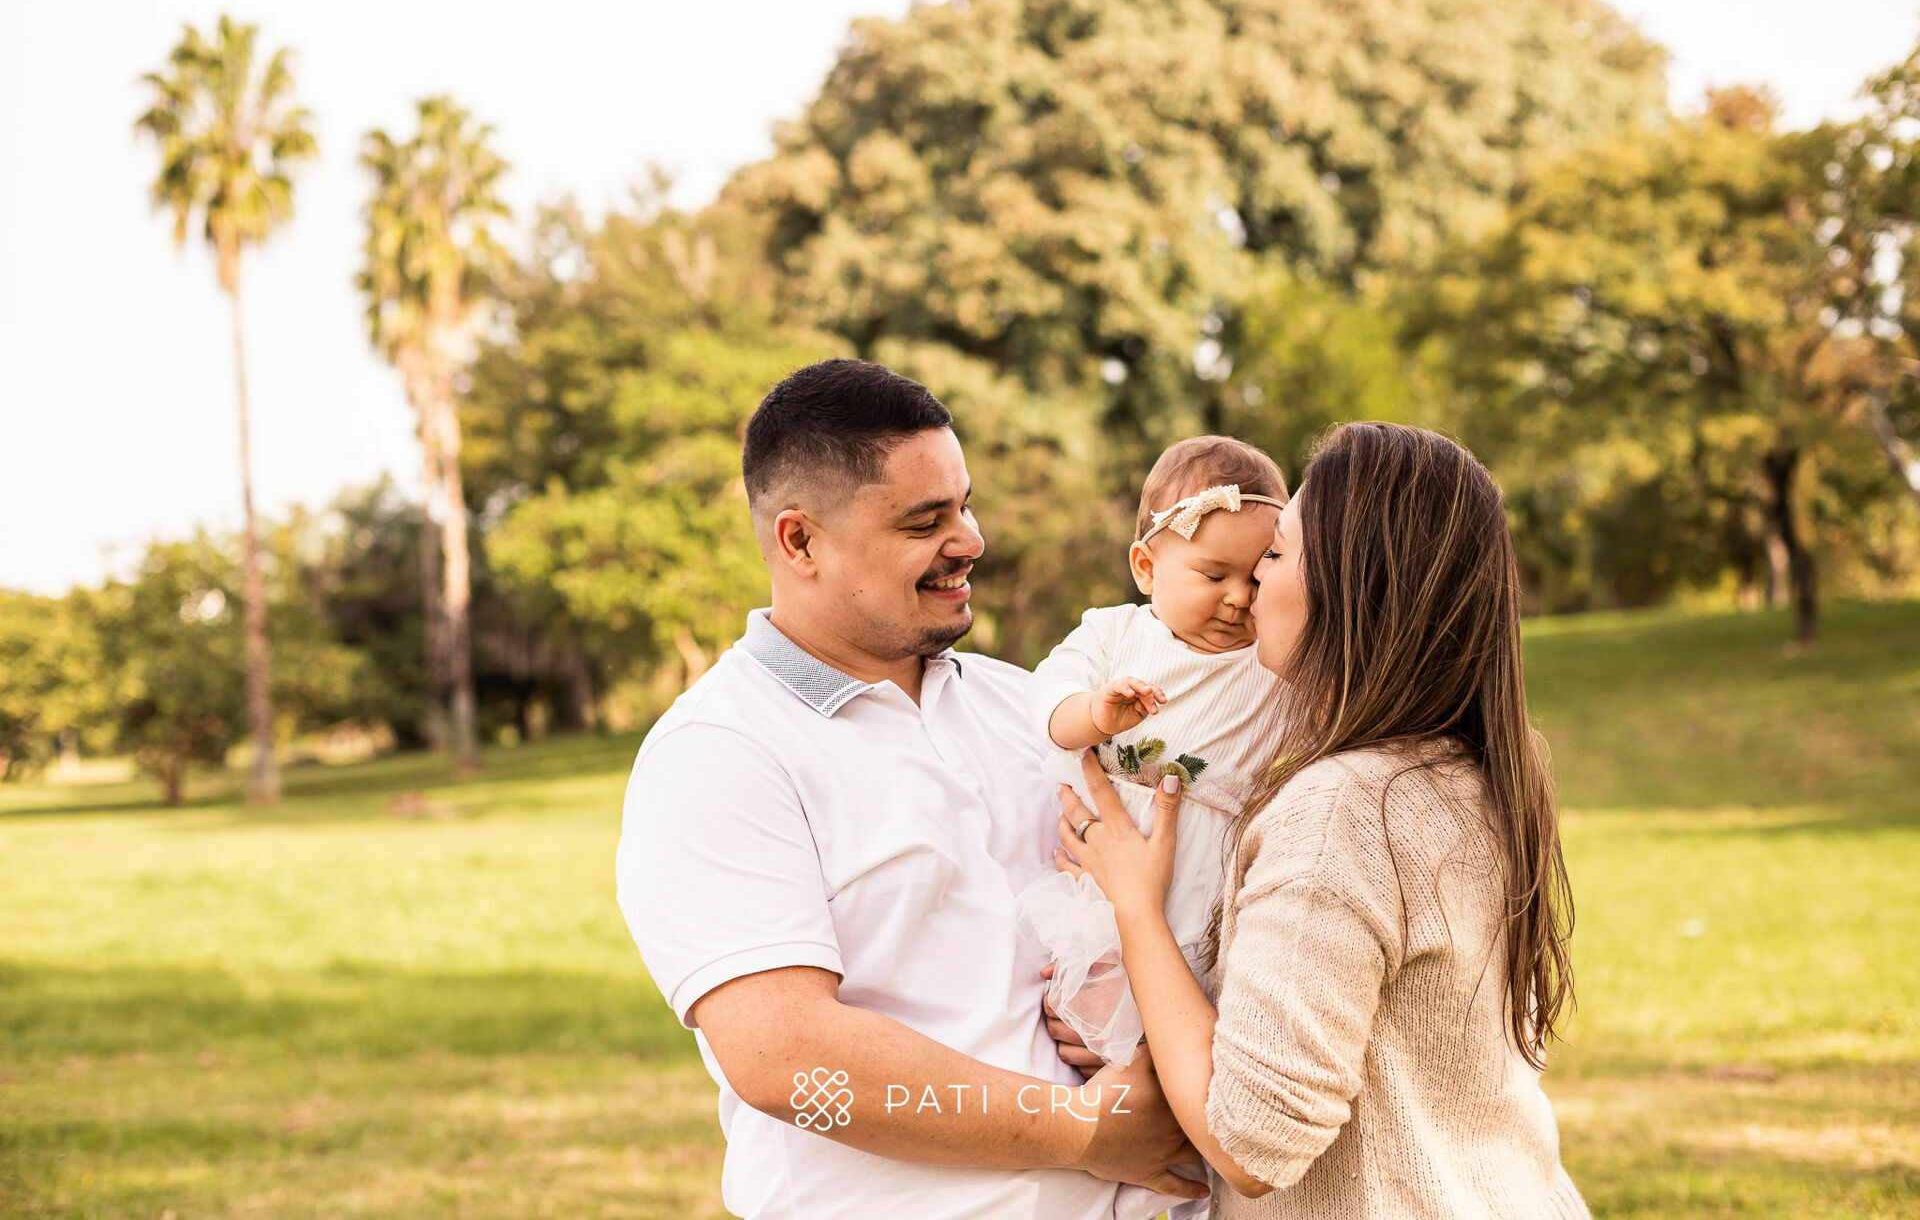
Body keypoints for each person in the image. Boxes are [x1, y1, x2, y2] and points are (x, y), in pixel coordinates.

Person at [614, 357, 1207, 1220]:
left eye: (963, 505)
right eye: (925, 521)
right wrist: (1083, 1130)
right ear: (800, 541)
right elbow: (788, 1062)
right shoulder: (718, 752)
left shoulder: (1028, 704)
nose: (970, 540)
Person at [1051, 421, 1589, 1217]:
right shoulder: (1459, 770)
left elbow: (1249, 1143)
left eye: (1276, 553)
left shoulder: (1344, 810)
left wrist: (1136, 909)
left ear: (1347, 588)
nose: (1251, 586)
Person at [1015, 436, 1289, 1220]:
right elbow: (1048, 697)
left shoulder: (1272, 664)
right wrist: (1095, 713)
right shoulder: (1114, 638)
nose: (1239, 597)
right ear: (1146, 568)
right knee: (1098, 1072)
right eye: (1213, 575)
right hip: (1100, 898)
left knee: (1188, 1083)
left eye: (1260, 572)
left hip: (1198, 913)